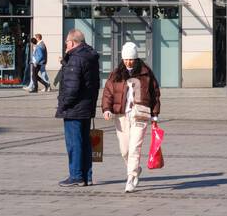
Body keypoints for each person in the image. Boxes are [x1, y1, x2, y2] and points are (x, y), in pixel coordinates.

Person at [100, 42, 161, 193]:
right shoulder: (116, 74)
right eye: (126, 59)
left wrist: (155, 114)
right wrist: (106, 109)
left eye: (131, 59)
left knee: (135, 147)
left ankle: (131, 177)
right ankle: (135, 168)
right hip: (121, 115)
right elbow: (108, 92)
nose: (128, 62)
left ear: (136, 58)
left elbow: (155, 94)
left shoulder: (146, 73)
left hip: (140, 114)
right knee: (124, 150)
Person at [55, 29, 101, 187]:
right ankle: (87, 176)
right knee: (85, 142)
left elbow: (72, 86)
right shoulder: (90, 56)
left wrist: (63, 104)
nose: (65, 45)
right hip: (86, 106)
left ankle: (76, 176)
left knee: (74, 143)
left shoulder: (76, 58)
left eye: (66, 42)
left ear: (72, 42)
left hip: (74, 108)